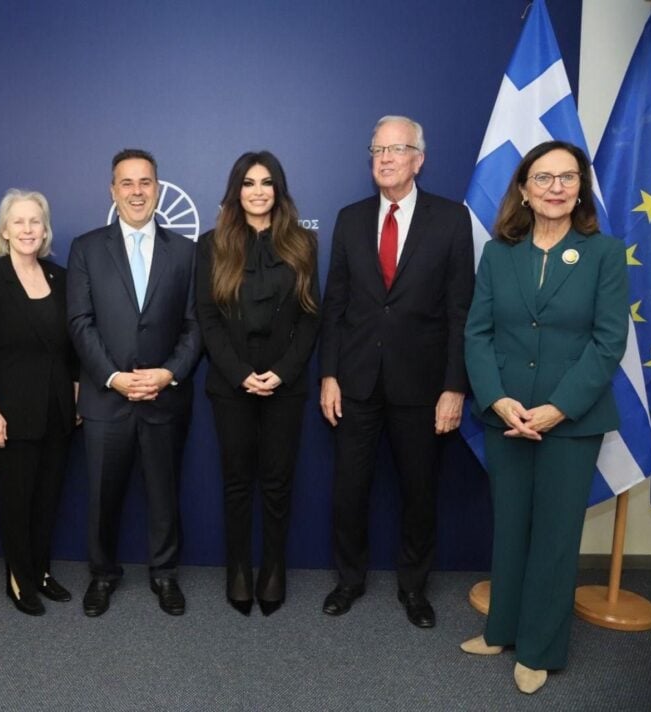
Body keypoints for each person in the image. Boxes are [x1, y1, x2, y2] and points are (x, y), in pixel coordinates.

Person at [461, 141, 628, 694]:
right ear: (524, 190)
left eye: (567, 177)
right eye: (543, 178)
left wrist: (559, 408)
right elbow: (478, 334)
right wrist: (496, 399)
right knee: (510, 528)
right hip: (507, 416)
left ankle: (539, 649)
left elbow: (608, 343)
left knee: (555, 537)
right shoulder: (499, 254)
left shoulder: (603, 254)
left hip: (571, 421)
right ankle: (502, 630)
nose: (556, 187)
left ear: (580, 189)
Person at [319, 116, 474, 628]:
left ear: (419, 159)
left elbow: (461, 312)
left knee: (419, 493)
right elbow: (335, 304)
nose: (385, 158)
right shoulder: (350, 219)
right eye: (378, 150)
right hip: (356, 382)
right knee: (349, 491)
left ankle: (413, 587)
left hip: (423, 386)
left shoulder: (450, 220)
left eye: (397, 149)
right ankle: (349, 580)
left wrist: (454, 386)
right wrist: (329, 374)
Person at [67, 148, 202, 617]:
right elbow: (80, 322)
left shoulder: (185, 252)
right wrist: (114, 377)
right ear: (113, 191)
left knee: (165, 495)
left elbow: (195, 325)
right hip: (107, 399)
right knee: (102, 497)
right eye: (127, 182)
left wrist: (169, 373)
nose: (137, 191)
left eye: (145, 182)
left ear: (158, 190)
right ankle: (103, 575)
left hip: (164, 398)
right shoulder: (86, 248)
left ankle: (165, 575)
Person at [195, 151, 321, 616]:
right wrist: (240, 373)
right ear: (236, 191)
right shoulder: (212, 245)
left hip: (286, 384)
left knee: (277, 482)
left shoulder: (303, 243)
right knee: (236, 483)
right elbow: (207, 318)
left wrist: (283, 371)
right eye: (249, 183)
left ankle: (273, 569)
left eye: (266, 182)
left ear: (278, 189)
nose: (258, 191)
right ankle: (238, 570)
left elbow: (310, 317)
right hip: (231, 384)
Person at [0, 189, 78, 616]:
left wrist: (75, 389)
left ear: (45, 230)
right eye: (19, 221)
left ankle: (41, 571)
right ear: (4, 231)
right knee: (17, 500)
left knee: (48, 498)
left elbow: (71, 346)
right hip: (10, 413)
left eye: (36, 221)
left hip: (58, 410)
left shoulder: (61, 278)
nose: (28, 229)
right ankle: (18, 578)